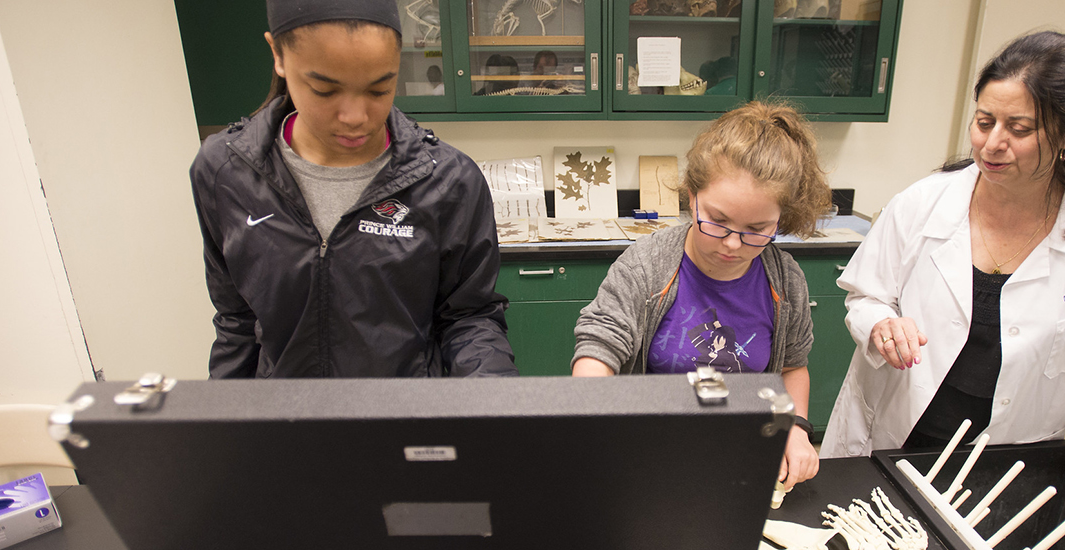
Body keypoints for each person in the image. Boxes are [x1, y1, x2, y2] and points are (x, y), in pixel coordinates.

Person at [819, 31, 1065, 504]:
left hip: (1006, 454)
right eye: (984, 121)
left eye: (1019, 129)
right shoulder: (923, 203)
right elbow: (865, 295)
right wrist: (881, 323)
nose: (992, 144)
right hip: (893, 434)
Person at [190, 0, 517, 379]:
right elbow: (238, 322)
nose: (356, 117)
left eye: (380, 89)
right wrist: (224, 427)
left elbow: (469, 318)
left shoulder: (447, 179)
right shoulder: (225, 172)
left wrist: (492, 413)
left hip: (403, 422)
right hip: (285, 425)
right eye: (325, 90)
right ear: (278, 55)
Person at [572, 101, 833, 491]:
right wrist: (592, 418)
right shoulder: (647, 266)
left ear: (783, 219)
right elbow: (600, 345)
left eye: (756, 229)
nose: (732, 244)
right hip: (647, 455)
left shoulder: (785, 281)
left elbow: (792, 367)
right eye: (718, 220)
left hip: (740, 458)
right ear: (691, 196)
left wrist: (793, 427)